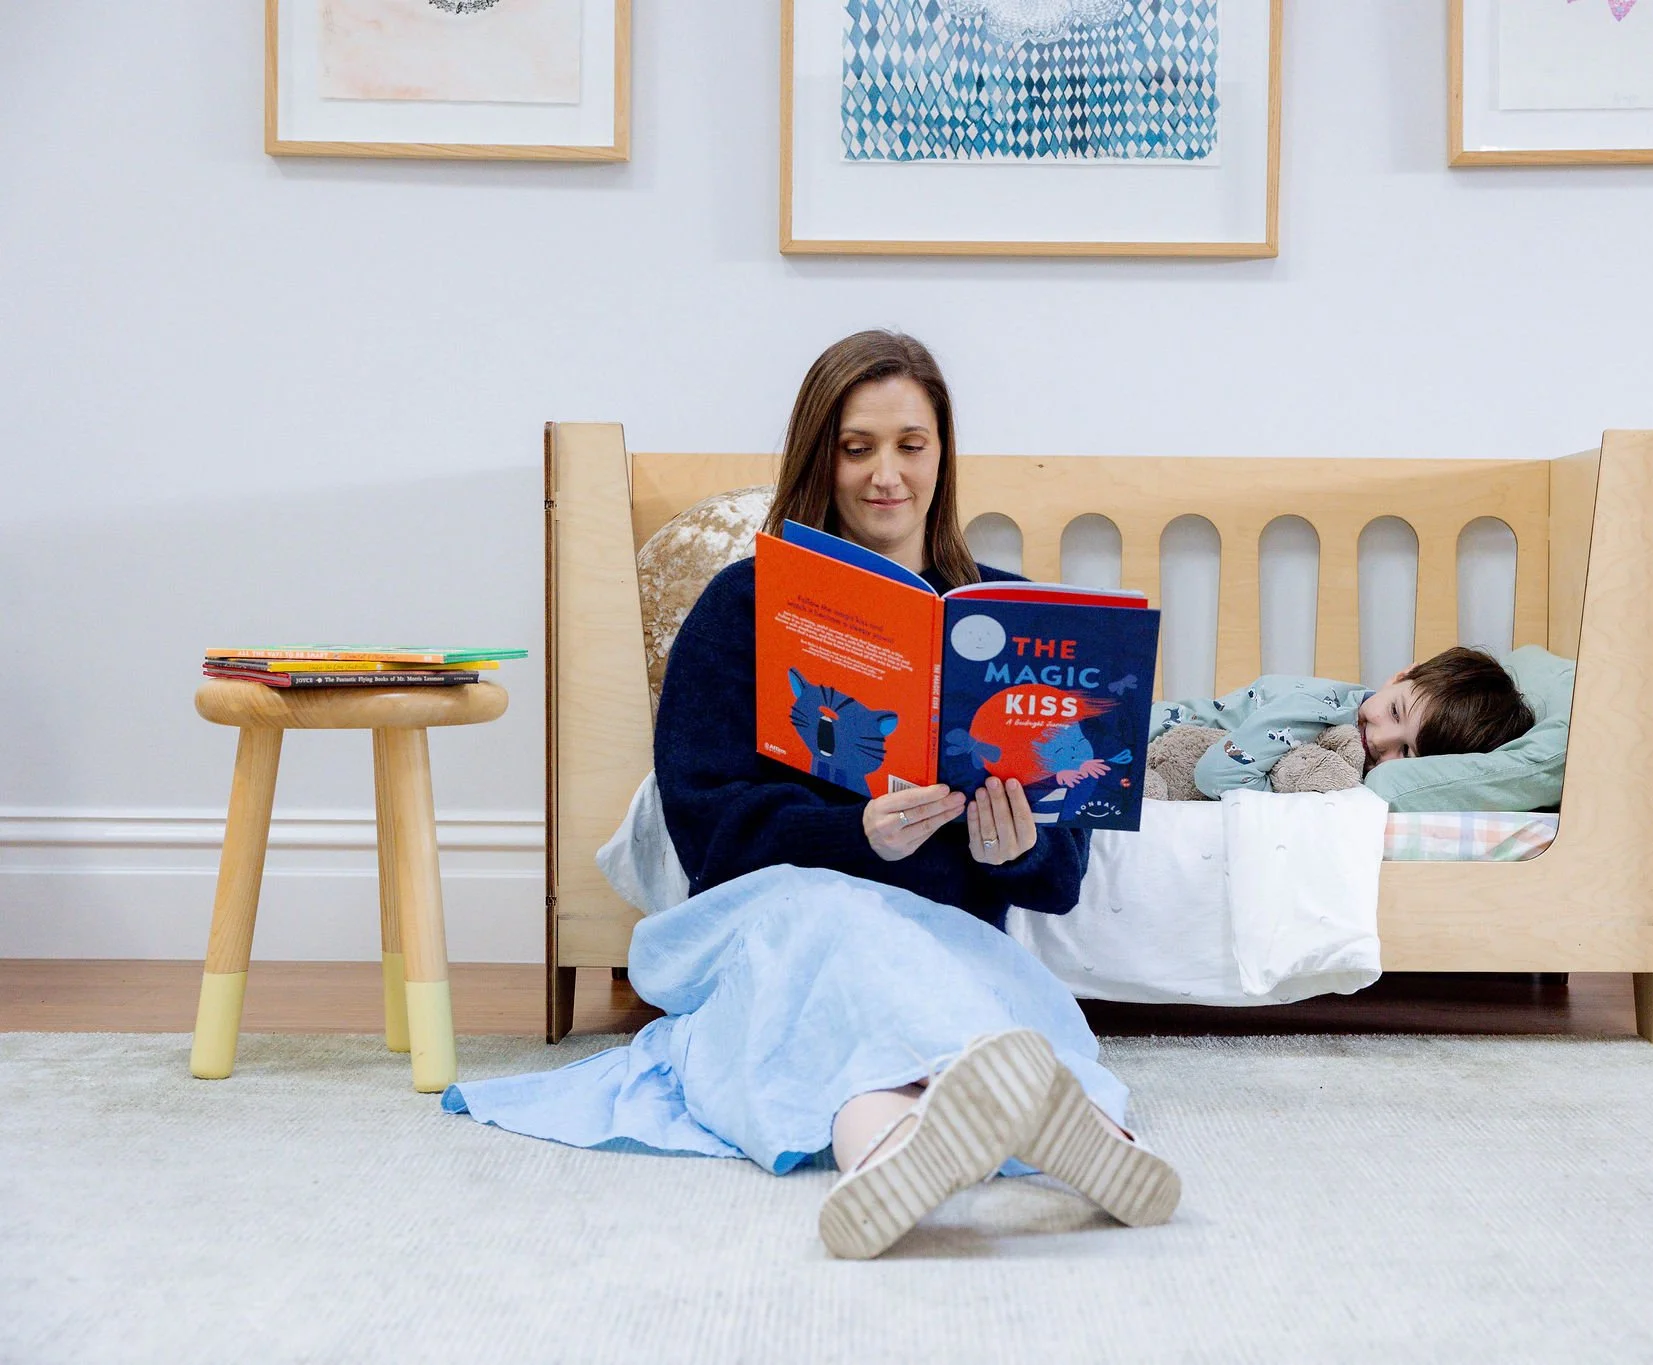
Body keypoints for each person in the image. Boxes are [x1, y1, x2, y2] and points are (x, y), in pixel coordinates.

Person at [443, 331, 1179, 1260]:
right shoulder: (740, 606)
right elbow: (707, 828)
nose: (886, 474)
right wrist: (859, 833)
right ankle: (1058, 1131)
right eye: (856, 445)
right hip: (775, 914)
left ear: (942, 454)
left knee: (932, 998)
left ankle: (889, 1146)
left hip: (942, 933)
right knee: (844, 931)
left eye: (910, 444)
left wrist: (1015, 846)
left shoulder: (1006, 613)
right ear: (819, 455)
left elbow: (1061, 868)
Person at [1150, 647, 1536, 799]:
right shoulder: (1321, 711)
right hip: (1141, 733)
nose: (1380, 739)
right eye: (1396, 712)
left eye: (1406, 751)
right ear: (1402, 675)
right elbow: (1215, 775)